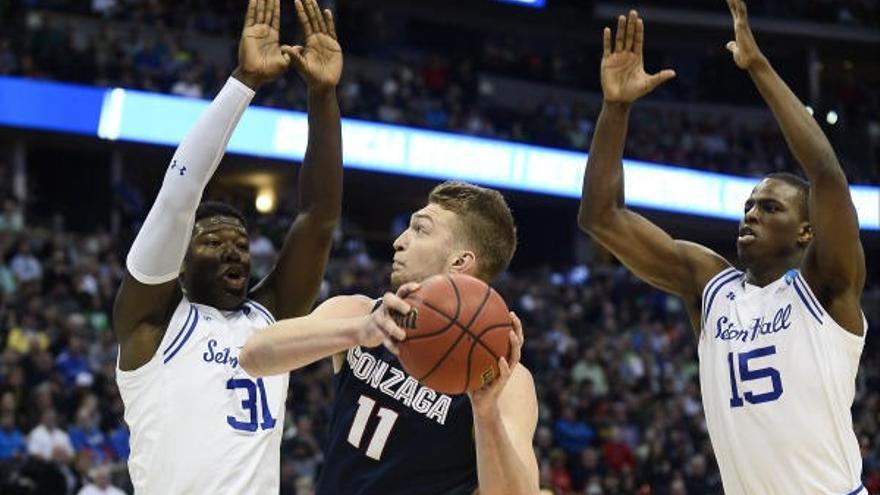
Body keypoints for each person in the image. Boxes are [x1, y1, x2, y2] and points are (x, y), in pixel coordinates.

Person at [577, 5, 867, 494]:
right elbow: (601, 216)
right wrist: (615, 108)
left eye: (771, 207)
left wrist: (758, 67)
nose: (750, 213)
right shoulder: (711, 285)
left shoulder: (826, 291)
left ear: (806, 232)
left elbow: (826, 174)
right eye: (749, 204)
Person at [112, 0, 343, 493]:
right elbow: (180, 193)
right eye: (213, 240)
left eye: (240, 242)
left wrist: (323, 97)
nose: (233, 250)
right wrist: (244, 82)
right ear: (181, 260)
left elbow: (318, 217)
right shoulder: (151, 323)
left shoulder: (269, 318)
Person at [241, 181, 540, 495]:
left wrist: (486, 412)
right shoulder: (358, 311)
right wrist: (360, 330)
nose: (398, 241)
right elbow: (253, 356)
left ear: (459, 262)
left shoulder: (503, 377)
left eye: (420, 230)